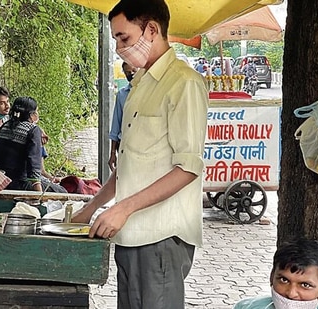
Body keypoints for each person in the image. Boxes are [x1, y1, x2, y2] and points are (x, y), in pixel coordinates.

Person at [72, 0, 209, 308]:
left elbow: (188, 168)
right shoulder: (140, 84)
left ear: (151, 29)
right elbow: (129, 164)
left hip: (161, 236)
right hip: (130, 233)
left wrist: (123, 209)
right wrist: (92, 207)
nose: (120, 48)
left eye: (124, 38)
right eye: (117, 40)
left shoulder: (183, 83)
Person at [233, 237, 318, 309]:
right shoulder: (245, 307)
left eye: (305, 285)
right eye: (284, 280)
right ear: (272, 277)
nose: (291, 294)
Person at [0, 97, 46, 192]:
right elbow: (34, 163)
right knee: (61, 191)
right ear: (31, 114)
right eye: (36, 111)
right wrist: (38, 193)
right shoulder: (33, 130)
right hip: (19, 184)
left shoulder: (5, 125)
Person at [108, 61, 136, 171]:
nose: (131, 74)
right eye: (127, 72)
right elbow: (116, 126)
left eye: (134, 70)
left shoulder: (149, 92)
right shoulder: (122, 94)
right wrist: (112, 153)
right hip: (124, 146)